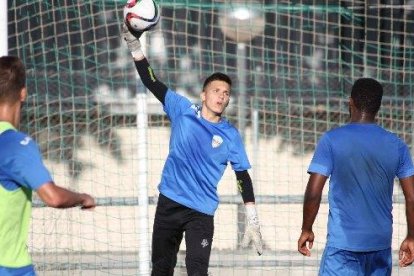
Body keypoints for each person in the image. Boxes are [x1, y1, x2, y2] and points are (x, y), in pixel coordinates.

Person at [121, 24, 263, 275]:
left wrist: (252, 218)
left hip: (201, 212)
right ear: (203, 94)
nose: (222, 96)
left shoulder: (230, 135)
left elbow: (242, 175)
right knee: (161, 269)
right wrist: (135, 46)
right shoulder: (183, 110)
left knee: (197, 271)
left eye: (227, 93)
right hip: (170, 203)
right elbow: (151, 81)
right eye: (216, 91)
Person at [297, 78, 414, 275]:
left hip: (343, 246)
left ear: (350, 102)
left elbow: (314, 192)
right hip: (380, 245)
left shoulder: (331, 140)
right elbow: (412, 197)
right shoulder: (397, 145)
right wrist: (411, 236)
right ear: (378, 107)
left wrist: (306, 229)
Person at [0, 56, 96, 276]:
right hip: (9, 267)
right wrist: (82, 197)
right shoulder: (15, 144)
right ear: (23, 93)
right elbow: (53, 197)